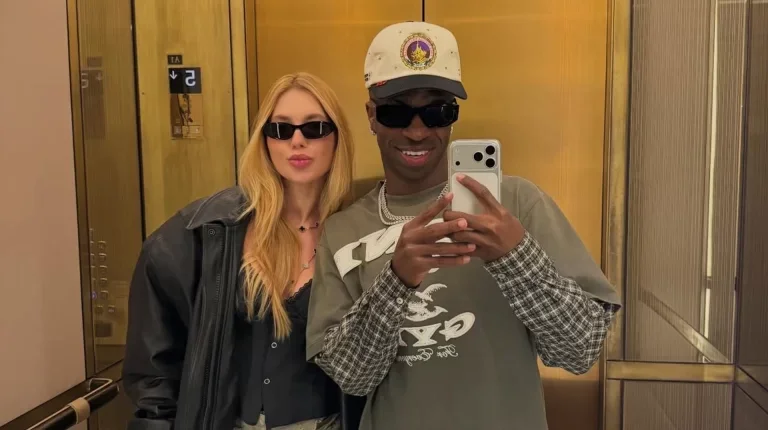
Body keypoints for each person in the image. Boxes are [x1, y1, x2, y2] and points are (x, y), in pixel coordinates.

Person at [305, 22, 622, 430]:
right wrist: (395, 281)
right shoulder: (342, 231)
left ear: (454, 115)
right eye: (396, 112)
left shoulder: (517, 204)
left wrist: (516, 258)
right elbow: (352, 378)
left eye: (437, 112)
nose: (417, 131)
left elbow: (579, 351)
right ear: (371, 116)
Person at [122, 72, 354, 430]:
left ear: (337, 138)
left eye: (314, 128)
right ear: (264, 140)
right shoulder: (209, 230)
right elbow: (155, 367)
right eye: (280, 129)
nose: (297, 141)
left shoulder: (358, 230)